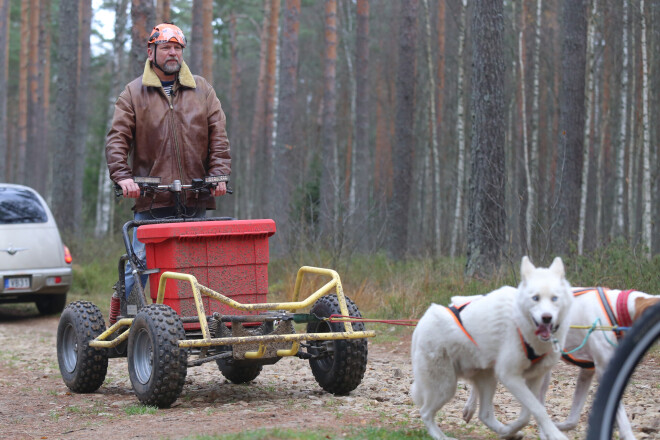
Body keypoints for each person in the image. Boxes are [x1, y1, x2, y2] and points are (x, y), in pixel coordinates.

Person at [105, 23, 231, 300]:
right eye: (166, 48)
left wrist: (219, 174)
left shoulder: (203, 90)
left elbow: (219, 138)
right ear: (151, 52)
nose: (172, 53)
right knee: (138, 266)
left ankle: (195, 325)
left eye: (177, 48)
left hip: (194, 195)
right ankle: (121, 326)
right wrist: (123, 177)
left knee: (197, 265)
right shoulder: (133, 93)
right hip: (151, 198)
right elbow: (117, 140)